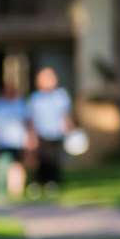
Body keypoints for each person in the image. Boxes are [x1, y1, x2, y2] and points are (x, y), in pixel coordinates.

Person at [26, 67, 74, 197]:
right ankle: (36, 184)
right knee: (41, 160)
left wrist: (70, 131)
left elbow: (65, 115)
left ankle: (52, 184)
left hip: (56, 133)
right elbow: (31, 119)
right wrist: (31, 136)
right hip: (41, 133)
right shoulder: (35, 98)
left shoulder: (61, 95)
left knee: (54, 159)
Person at [0, 81, 31, 199]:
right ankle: (1, 191)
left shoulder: (21, 104)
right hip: (3, 141)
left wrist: (30, 138)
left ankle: (16, 192)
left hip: (18, 141)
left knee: (17, 166)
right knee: (2, 165)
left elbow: (28, 123)